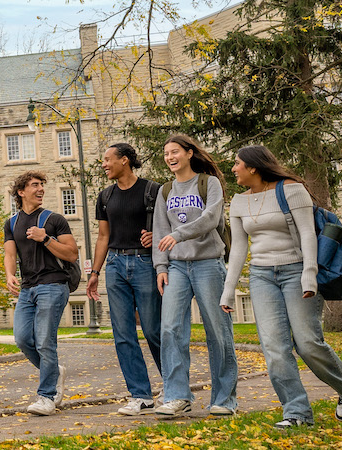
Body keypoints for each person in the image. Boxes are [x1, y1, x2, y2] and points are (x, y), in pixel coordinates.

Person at [221, 145, 342, 429]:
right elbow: (238, 248)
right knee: (274, 348)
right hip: (262, 276)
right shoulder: (238, 202)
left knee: (308, 343)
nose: (233, 169)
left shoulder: (291, 190)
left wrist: (309, 274)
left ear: (253, 167)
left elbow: (309, 234)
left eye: (237, 164)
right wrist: (228, 290)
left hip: (297, 271)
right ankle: (296, 412)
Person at [151, 135, 240, 418]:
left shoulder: (208, 183)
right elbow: (159, 231)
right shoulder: (165, 191)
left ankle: (224, 399)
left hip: (208, 264)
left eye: (174, 151)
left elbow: (212, 218)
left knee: (218, 331)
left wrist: (178, 235)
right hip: (176, 267)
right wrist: (161, 267)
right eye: (166, 153)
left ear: (189, 153)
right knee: (170, 329)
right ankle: (177, 396)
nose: (169, 157)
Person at [82, 143, 163, 416]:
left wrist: (156, 237)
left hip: (145, 264)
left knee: (153, 329)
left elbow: (169, 226)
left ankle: (174, 388)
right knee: (123, 334)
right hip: (115, 266)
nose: (103, 164)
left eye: (108, 159)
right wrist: (94, 273)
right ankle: (141, 396)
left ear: (125, 161)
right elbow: (103, 237)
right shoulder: (105, 197)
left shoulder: (153, 190)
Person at [4, 170, 79, 416]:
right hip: (27, 289)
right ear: (21, 191)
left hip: (53, 284)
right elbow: (9, 254)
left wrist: (45, 238)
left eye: (42, 185)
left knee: (46, 340)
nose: (40, 189)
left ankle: (46, 397)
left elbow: (71, 254)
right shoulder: (12, 223)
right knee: (23, 339)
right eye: (35, 185)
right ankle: (55, 371)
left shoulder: (54, 220)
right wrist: (9, 274)